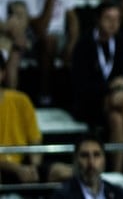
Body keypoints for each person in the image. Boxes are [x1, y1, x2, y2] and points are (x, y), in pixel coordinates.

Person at [70, 0, 123, 174]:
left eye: (117, 19)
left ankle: (116, 174)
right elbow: (82, 85)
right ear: (98, 19)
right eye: (108, 19)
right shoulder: (84, 44)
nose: (113, 24)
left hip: (116, 103)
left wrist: (122, 82)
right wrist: (111, 88)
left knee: (117, 118)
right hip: (90, 103)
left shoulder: (122, 41)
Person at [21, 0, 78, 106]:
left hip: (61, 35)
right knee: (48, 40)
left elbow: (72, 17)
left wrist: (72, 43)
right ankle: (45, 93)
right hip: (34, 39)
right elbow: (39, 29)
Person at [0, 56, 73, 185]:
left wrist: (34, 167)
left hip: (24, 163)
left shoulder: (21, 100)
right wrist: (16, 169)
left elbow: (35, 139)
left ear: (3, 73)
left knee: (66, 172)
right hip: (4, 167)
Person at [51, 135, 123, 199]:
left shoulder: (119, 194)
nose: (91, 163)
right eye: (85, 156)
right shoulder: (62, 196)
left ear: (104, 159)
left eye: (96, 155)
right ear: (75, 160)